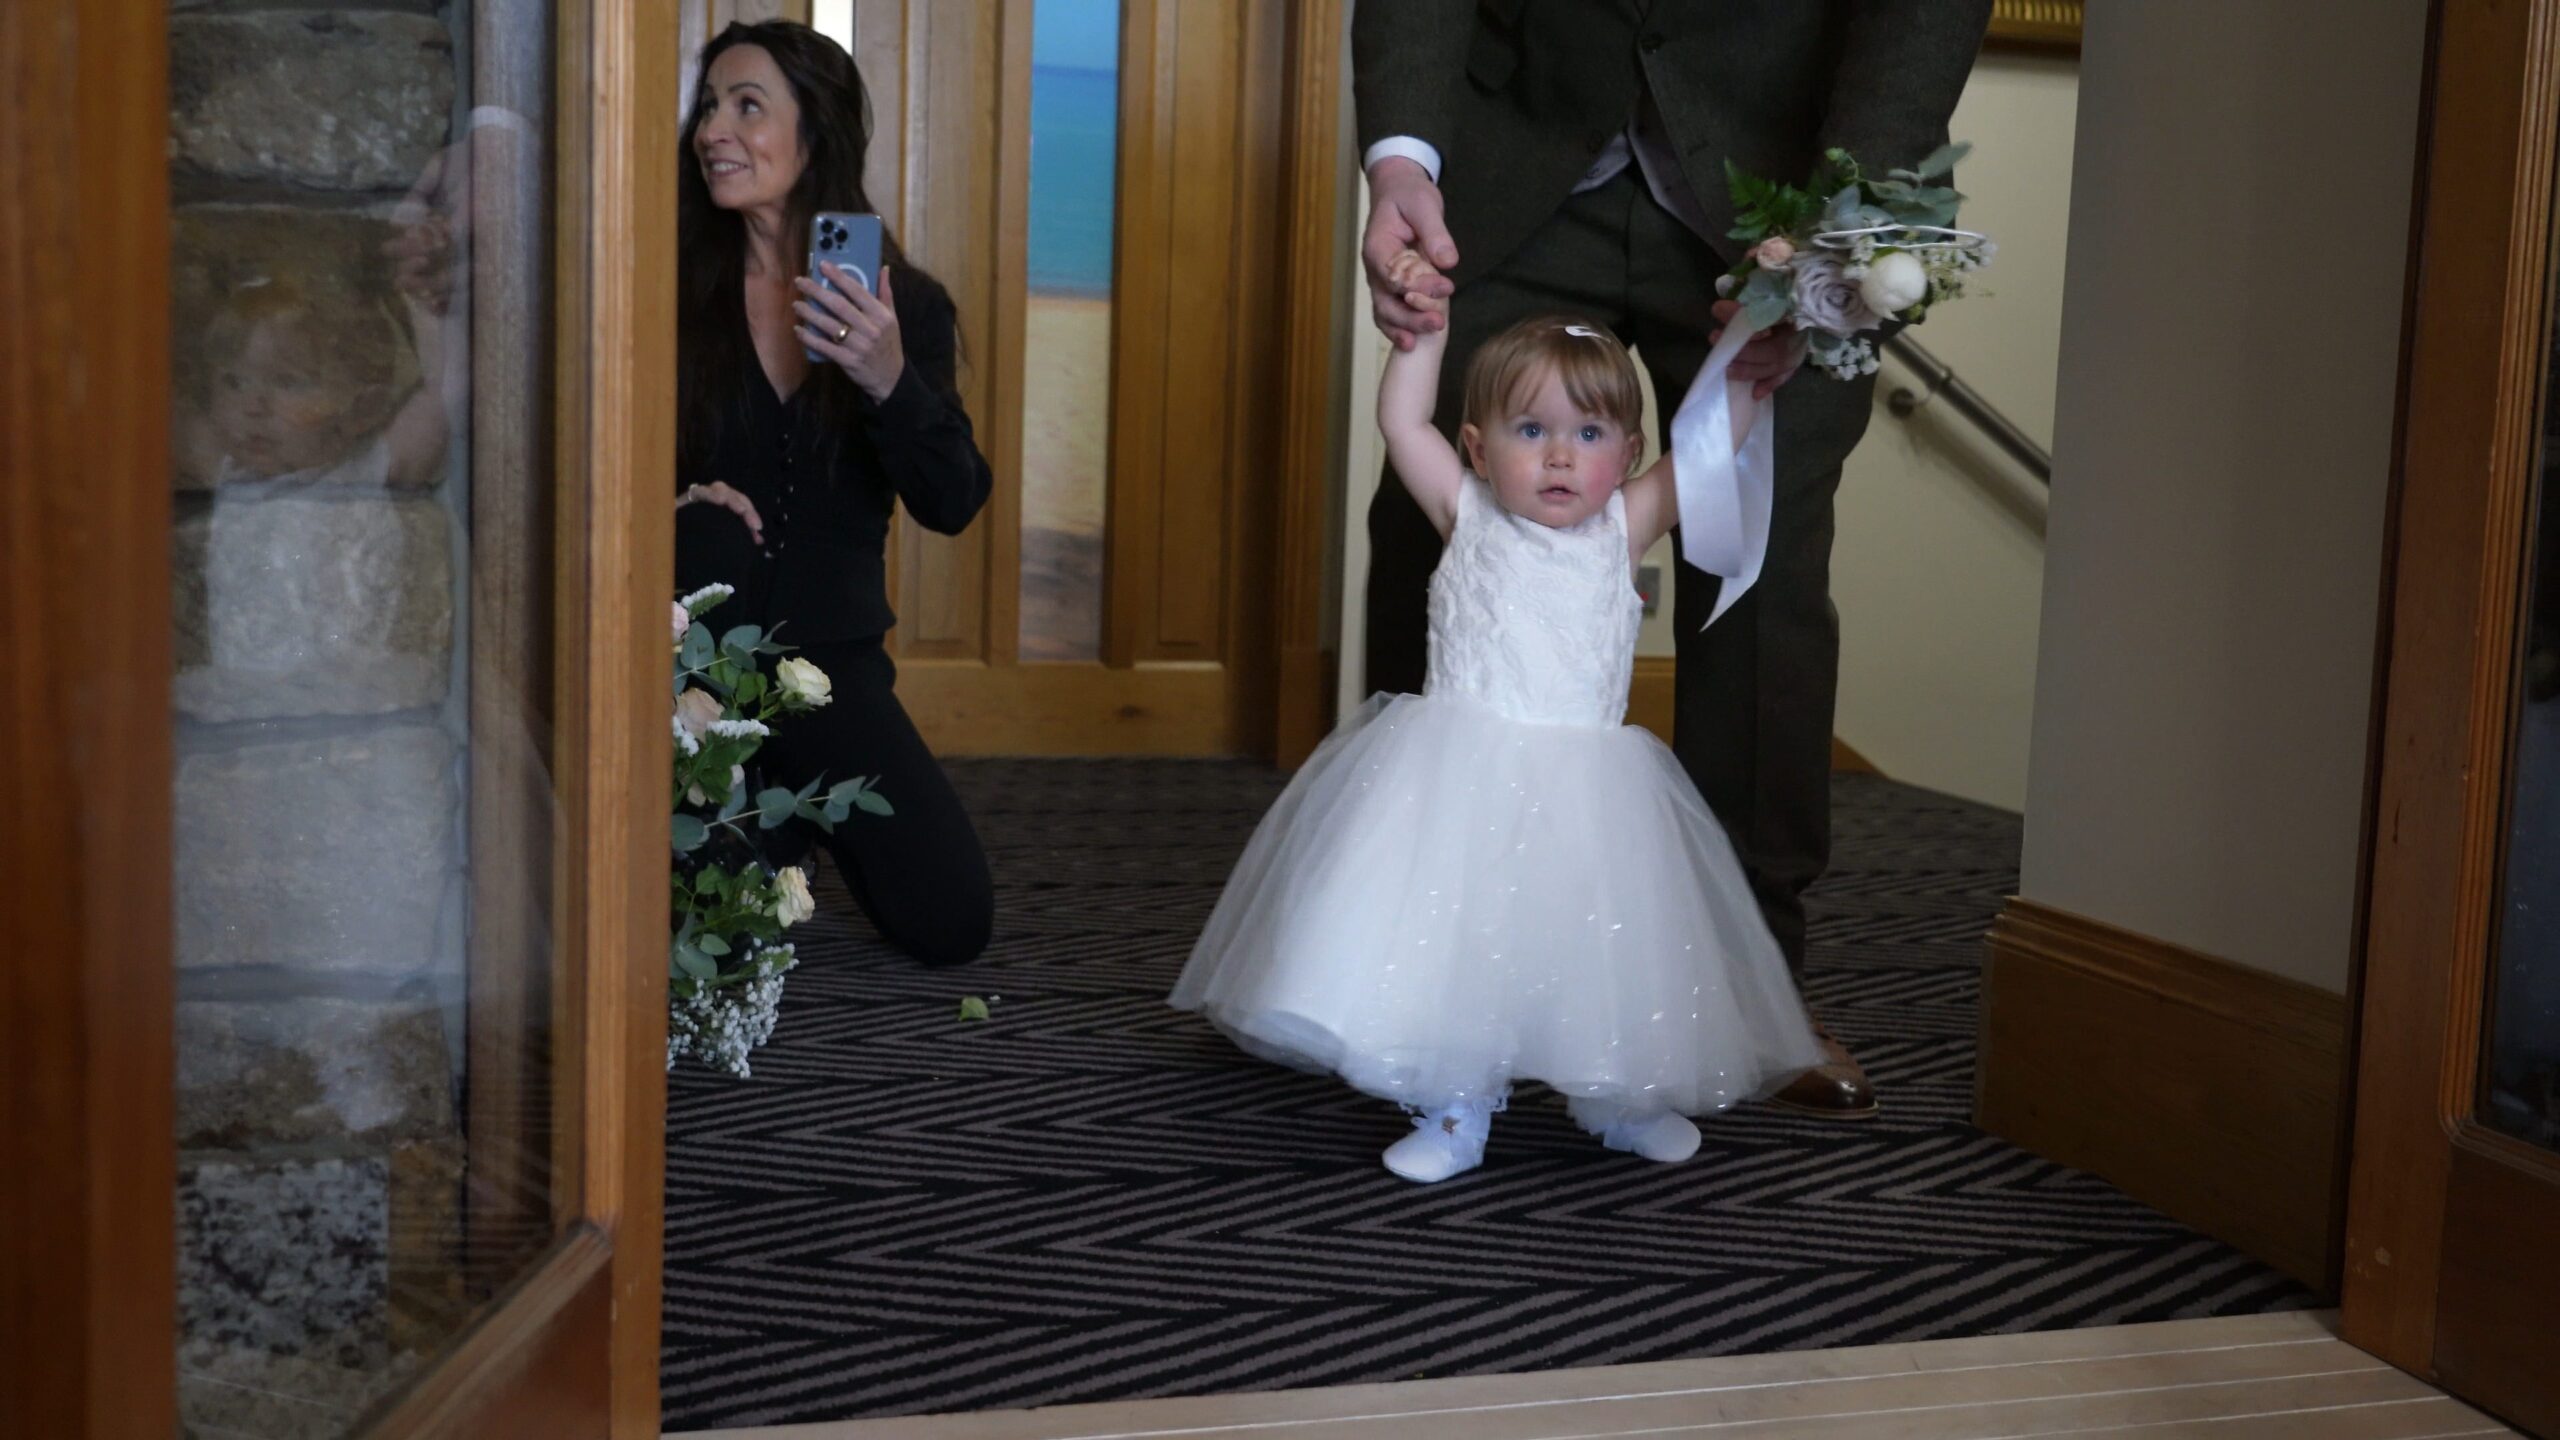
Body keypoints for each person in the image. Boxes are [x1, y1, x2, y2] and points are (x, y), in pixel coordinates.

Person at [1352, 5, 1994, 1118]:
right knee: (1438, 544)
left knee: (1765, 573)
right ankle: (1400, 974)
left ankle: (1753, 987)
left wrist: (1845, 222)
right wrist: (1402, 150)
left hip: (1780, 188)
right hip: (1520, 164)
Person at [1172, 282, 1828, 1184]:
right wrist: (1421, 340)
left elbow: (1708, 457)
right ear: (1478, 449)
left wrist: (1749, 379)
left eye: (1590, 435)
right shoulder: (1466, 513)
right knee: (1459, 947)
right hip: (1456, 784)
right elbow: (1406, 426)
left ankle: (1613, 1098)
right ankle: (1454, 1105)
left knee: (1596, 944)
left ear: (1628, 452)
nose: (1561, 457)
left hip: (1591, 797)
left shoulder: (1622, 528)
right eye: (1532, 431)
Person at [675, 20, 994, 967]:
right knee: (702, 939)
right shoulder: (666, 296)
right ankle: (754, 804)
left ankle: (782, 797)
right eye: (707, 106)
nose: (711, 131)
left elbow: (953, 499)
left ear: (816, 134)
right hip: (690, 671)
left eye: (746, 106)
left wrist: (891, 378)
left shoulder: (906, 308)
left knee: (950, 922)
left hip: (828, 671)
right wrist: (663, 502)